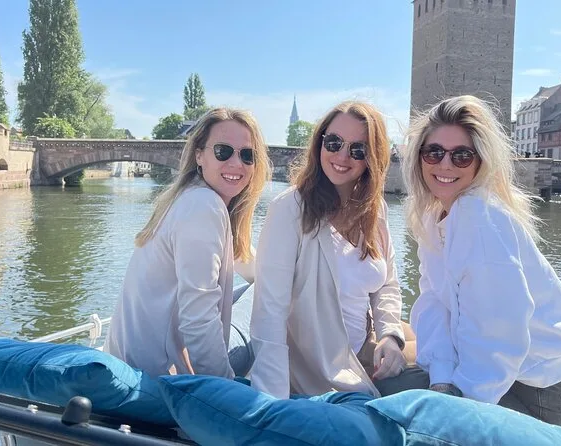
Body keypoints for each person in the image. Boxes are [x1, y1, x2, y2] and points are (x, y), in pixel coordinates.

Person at [401, 95, 561, 431]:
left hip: (538, 398)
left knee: (396, 403)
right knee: (394, 391)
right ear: (419, 158)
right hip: (496, 381)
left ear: (480, 162)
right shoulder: (433, 217)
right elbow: (434, 304)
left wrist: (456, 409)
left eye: (461, 155)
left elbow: (501, 335)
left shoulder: (480, 216)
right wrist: (441, 379)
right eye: (434, 152)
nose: (445, 165)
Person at [250, 101, 428, 400]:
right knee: (439, 372)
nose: (342, 156)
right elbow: (269, 311)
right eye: (333, 142)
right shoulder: (290, 209)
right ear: (319, 142)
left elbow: (387, 284)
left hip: (365, 342)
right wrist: (273, 405)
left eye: (358, 150)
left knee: (445, 349)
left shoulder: (374, 210)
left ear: (373, 157)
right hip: (324, 363)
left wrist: (389, 336)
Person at [104, 108, 271, 379]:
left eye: (247, 155)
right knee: (265, 297)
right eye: (223, 151)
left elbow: (252, 268)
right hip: (159, 379)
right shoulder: (203, 206)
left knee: (264, 289)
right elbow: (198, 319)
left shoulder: (188, 197)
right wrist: (225, 391)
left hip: (129, 363)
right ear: (199, 155)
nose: (236, 163)